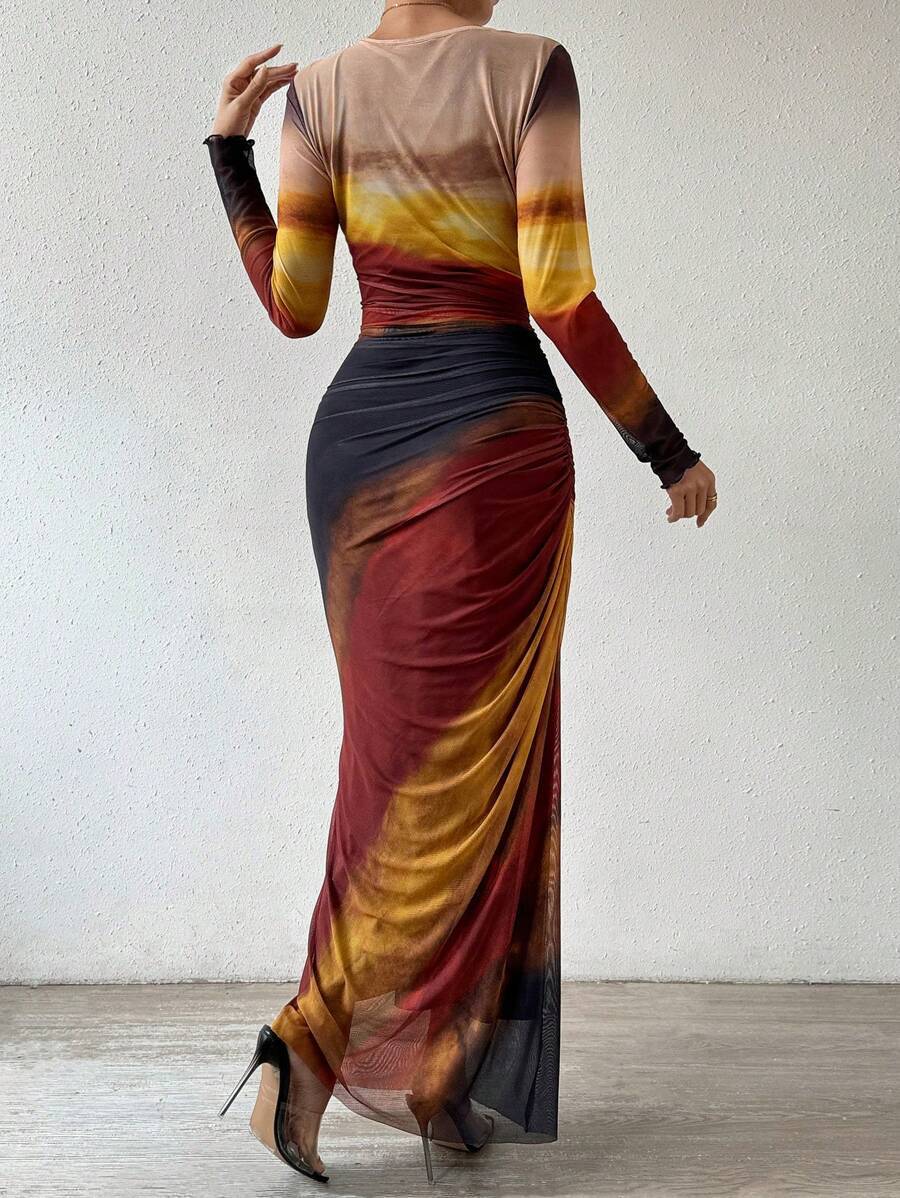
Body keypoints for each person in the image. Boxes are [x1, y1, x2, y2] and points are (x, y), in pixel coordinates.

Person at [205, 0, 717, 1185]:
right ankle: (308, 1040)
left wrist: (230, 154)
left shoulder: (319, 91)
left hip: (359, 460)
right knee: (466, 772)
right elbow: (559, 294)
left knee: (399, 767)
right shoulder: (530, 70)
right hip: (491, 451)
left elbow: (297, 307)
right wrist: (668, 449)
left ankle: (441, 1063)